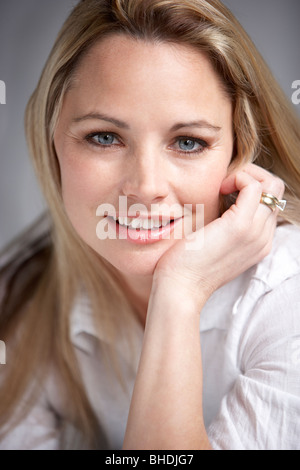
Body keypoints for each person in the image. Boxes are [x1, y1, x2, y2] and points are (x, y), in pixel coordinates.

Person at [0, 0, 300, 451]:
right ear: (52, 142)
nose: (145, 187)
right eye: (105, 137)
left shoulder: (288, 297)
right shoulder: (21, 300)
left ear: (240, 150)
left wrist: (179, 292)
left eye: (187, 142)